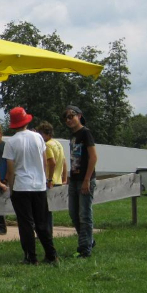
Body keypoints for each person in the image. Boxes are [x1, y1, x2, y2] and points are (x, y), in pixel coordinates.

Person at [2, 107, 58, 265]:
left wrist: (11, 188)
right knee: (42, 223)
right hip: (39, 186)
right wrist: (44, 178)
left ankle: (31, 257)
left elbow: (11, 169)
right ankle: (51, 254)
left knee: (26, 224)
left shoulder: (11, 142)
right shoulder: (38, 137)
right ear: (26, 121)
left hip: (21, 186)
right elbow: (44, 161)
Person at [64, 105, 98, 258]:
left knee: (85, 215)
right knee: (73, 214)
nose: (68, 120)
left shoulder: (85, 133)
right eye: (66, 118)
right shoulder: (73, 135)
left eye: (71, 116)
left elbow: (93, 157)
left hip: (85, 179)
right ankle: (89, 240)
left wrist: (87, 180)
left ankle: (84, 249)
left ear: (79, 116)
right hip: (74, 179)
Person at [36, 121, 67, 236]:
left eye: (40, 134)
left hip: (50, 182)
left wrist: (49, 180)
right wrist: (64, 178)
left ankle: (47, 233)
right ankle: (48, 233)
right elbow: (64, 162)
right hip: (57, 180)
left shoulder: (48, 145)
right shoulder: (58, 144)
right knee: (48, 210)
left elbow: (52, 162)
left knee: (44, 210)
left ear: (46, 133)